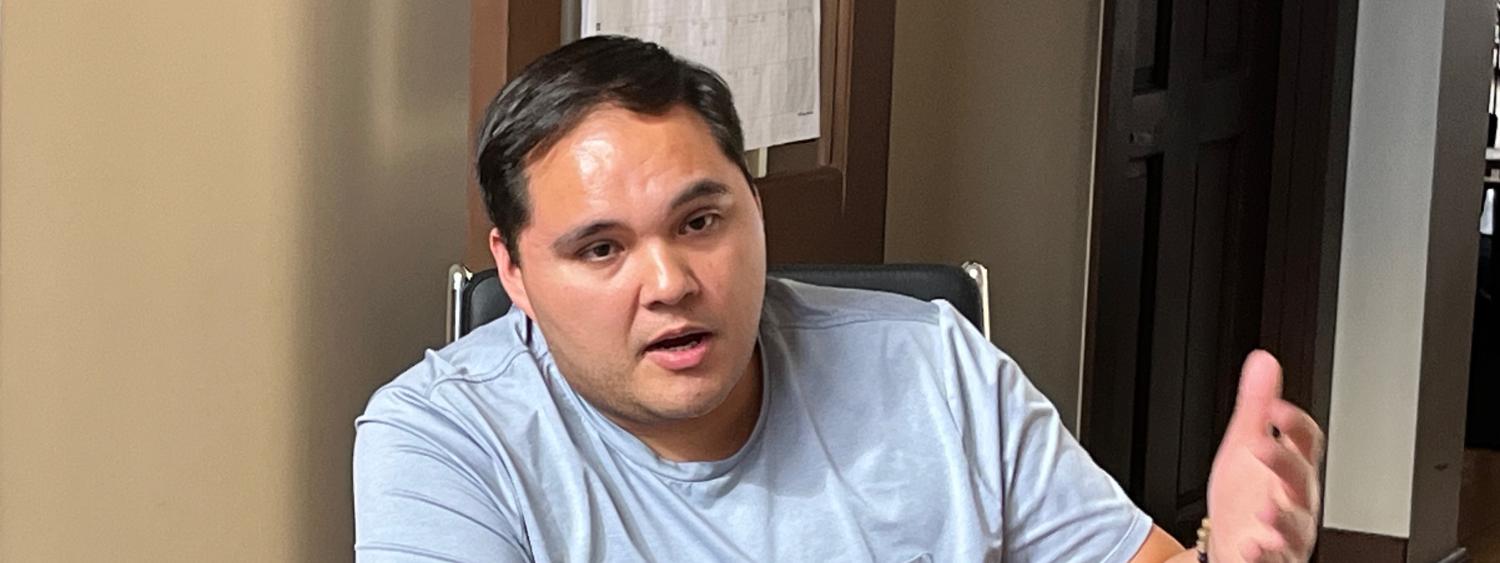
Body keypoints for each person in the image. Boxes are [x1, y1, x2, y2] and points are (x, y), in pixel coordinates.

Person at [353, 35, 1323, 562]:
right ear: (513, 273)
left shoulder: (934, 364)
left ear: (756, 208)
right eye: (601, 248)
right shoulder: (441, 440)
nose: (672, 283)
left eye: (701, 221)